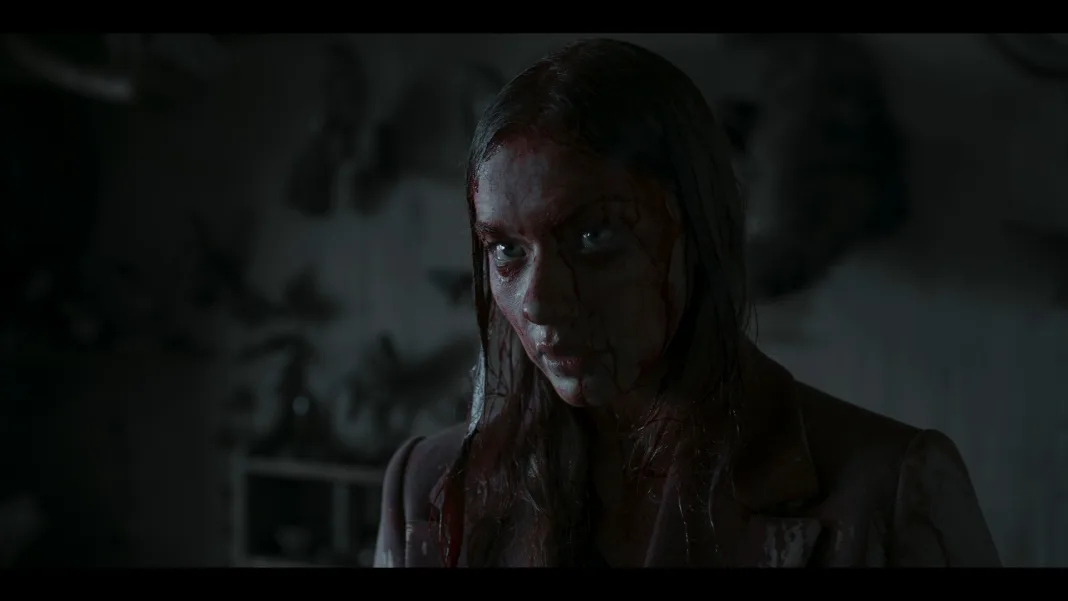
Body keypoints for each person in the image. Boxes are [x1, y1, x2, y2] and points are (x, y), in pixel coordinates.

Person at [373, 38, 1001, 568]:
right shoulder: (433, 490)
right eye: (506, 250)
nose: (539, 300)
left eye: (594, 237)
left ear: (698, 230)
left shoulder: (886, 489)